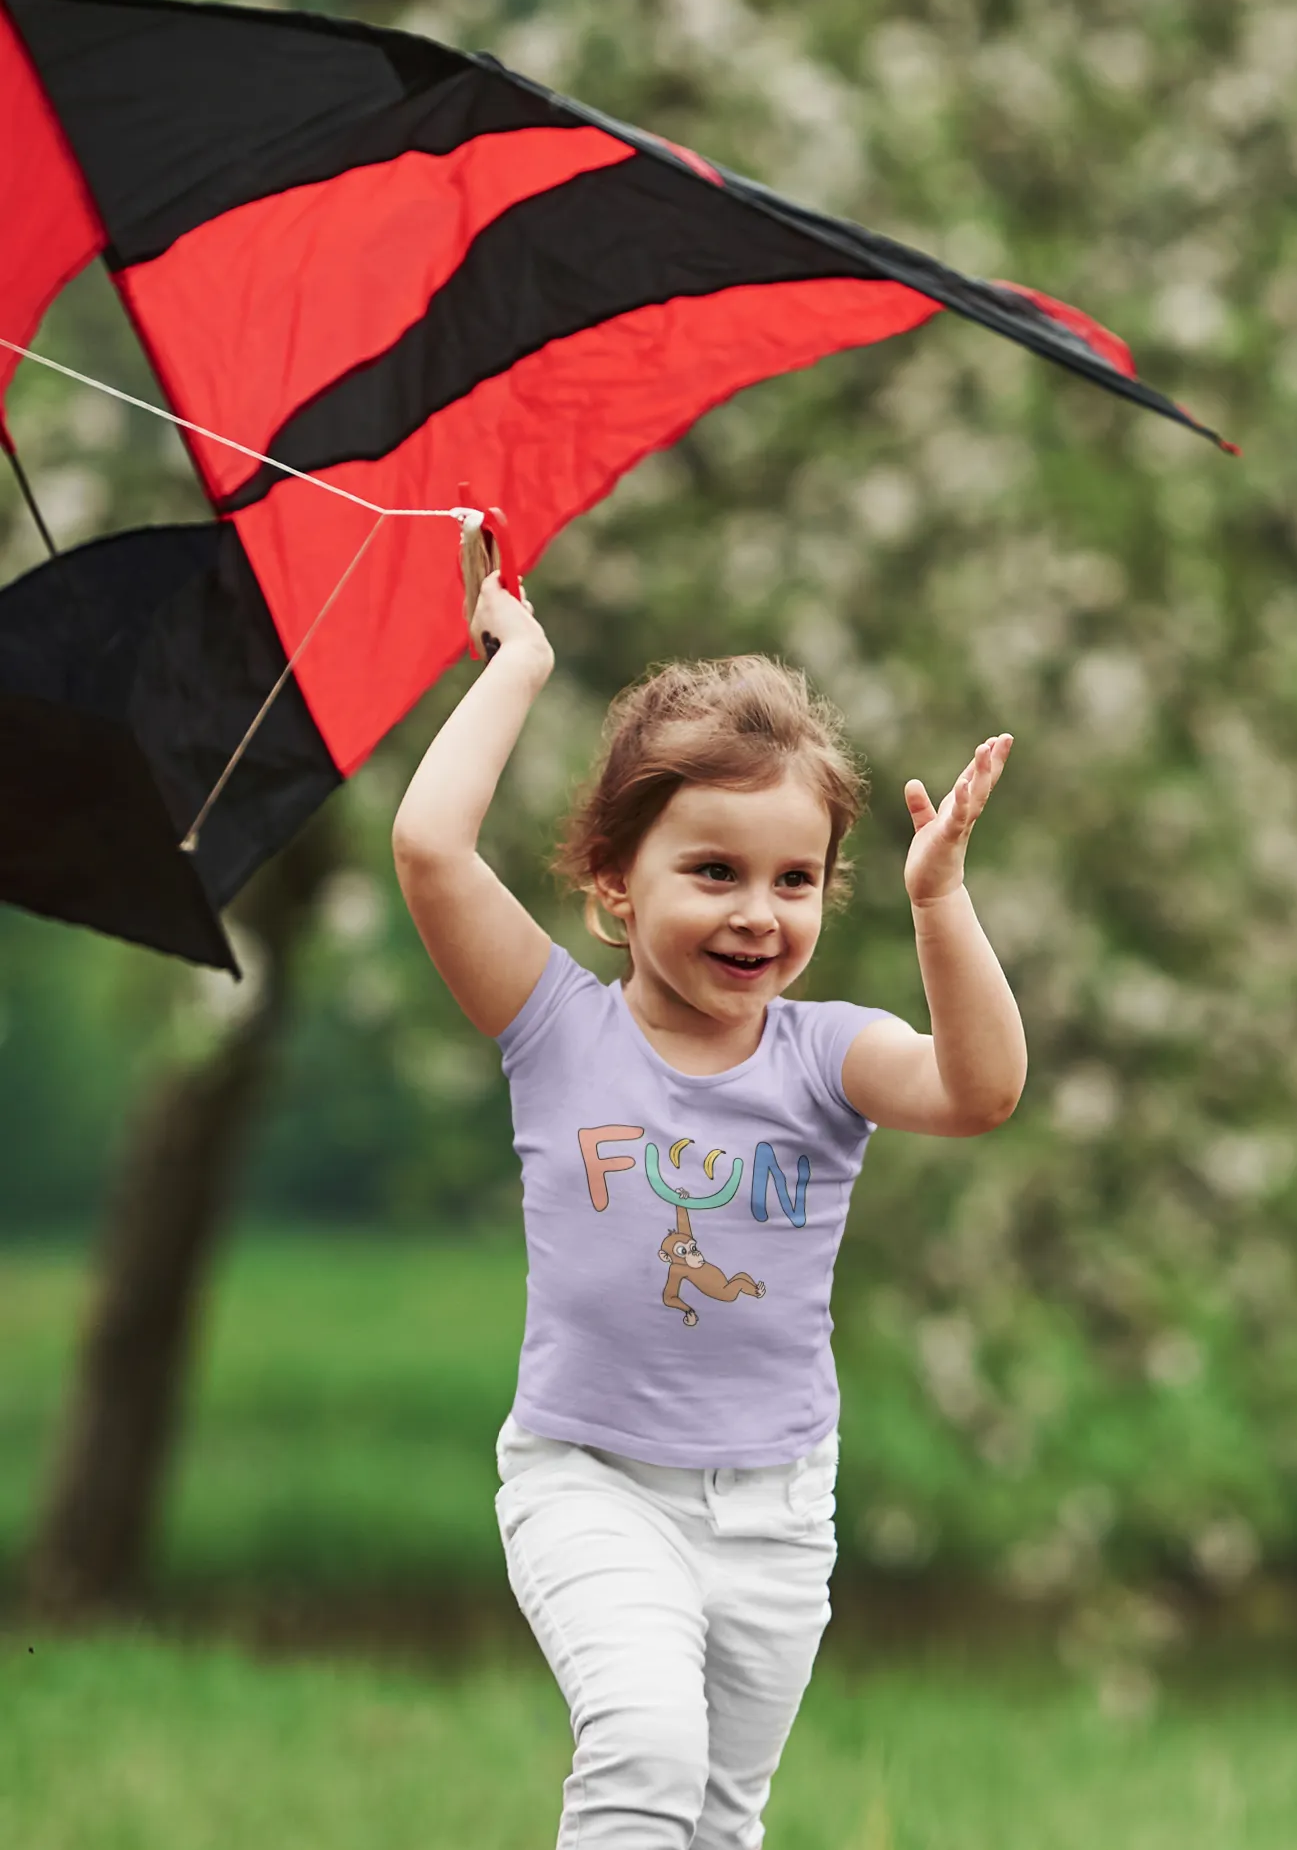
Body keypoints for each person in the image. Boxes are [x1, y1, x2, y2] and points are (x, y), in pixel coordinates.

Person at [392, 571, 1026, 1850]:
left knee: (719, 1818)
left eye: (796, 879)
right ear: (614, 887)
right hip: (592, 1480)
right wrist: (516, 663)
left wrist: (939, 901)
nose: (756, 910)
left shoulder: (824, 1055)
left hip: (778, 1509)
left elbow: (981, 1088)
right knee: (644, 1748)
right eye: (714, 870)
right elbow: (428, 849)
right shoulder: (551, 1025)